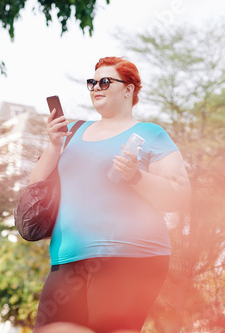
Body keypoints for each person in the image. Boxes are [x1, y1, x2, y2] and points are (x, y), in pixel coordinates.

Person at [30, 56, 191, 332]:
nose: (96, 87)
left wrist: (136, 176)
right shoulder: (71, 132)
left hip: (131, 258)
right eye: (92, 82)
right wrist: (54, 146)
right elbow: (35, 188)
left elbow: (179, 195)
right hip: (67, 259)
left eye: (105, 81)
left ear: (129, 90)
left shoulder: (150, 134)